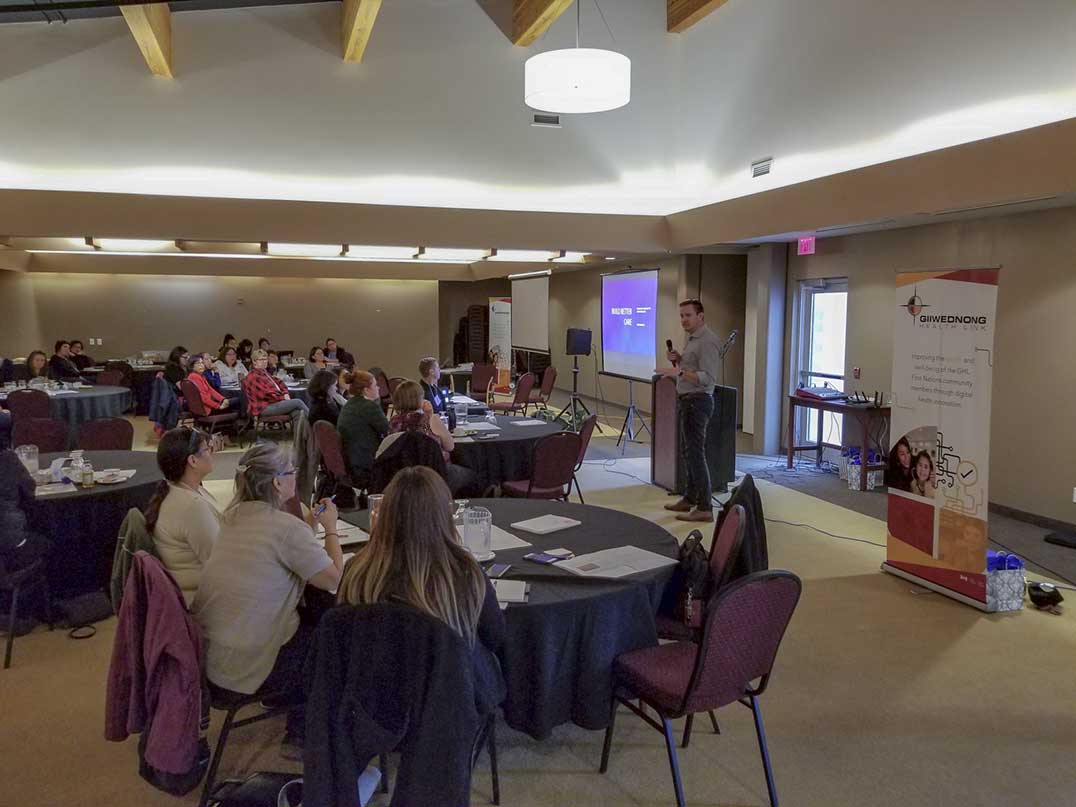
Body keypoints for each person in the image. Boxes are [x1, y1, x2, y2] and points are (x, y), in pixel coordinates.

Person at [192, 443, 341, 754]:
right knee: (331, 635)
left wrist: (310, 526)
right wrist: (330, 529)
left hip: (212, 661)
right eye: (292, 472)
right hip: (246, 667)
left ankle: (289, 704)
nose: (296, 476)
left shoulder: (231, 517)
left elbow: (272, 553)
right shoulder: (285, 529)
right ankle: (300, 734)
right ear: (277, 482)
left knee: (311, 615)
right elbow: (333, 579)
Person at [336, 466, 505, 710]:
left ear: (385, 514)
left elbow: (345, 640)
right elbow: (495, 635)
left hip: (375, 699)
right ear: (444, 516)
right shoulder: (464, 573)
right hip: (450, 701)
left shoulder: (357, 572)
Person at [656, 299, 723, 523]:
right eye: (681, 316)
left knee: (695, 454)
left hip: (698, 401)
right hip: (688, 400)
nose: (683, 320)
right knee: (688, 453)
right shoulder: (693, 340)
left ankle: (705, 507)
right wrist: (679, 360)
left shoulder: (708, 342)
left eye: (688, 315)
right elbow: (692, 368)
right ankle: (690, 498)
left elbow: (707, 378)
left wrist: (679, 373)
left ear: (700, 316)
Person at [143, 428, 222, 607]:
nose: (212, 454)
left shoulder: (181, 490)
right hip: (202, 601)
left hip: (202, 590)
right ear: (193, 461)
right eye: (207, 449)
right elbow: (219, 563)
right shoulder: (191, 506)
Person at [378, 380, 475, 496]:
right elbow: (450, 446)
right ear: (419, 399)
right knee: (472, 474)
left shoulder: (393, 422)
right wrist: (431, 414)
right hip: (436, 473)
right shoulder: (431, 420)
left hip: (402, 475)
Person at [337, 370, 390, 488]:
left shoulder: (349, 405)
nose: (378, 388)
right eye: (375, 385)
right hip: (366, 461)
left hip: (352, 459)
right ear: (366, 390)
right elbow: (388, 430)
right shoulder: (369, 406)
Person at [243, 349, 309, 428]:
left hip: (274, 402)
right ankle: (314, 423)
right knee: (298, 402)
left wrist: (285, 393)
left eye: (265, 359)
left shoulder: (264, 373)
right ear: (254, 361)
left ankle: (301, 434)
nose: (264, 362)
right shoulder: (253, 377)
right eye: (261, 360)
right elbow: (267, 395)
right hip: (264, 407)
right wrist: (283, 397)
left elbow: (280, 383)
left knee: (297, 412)